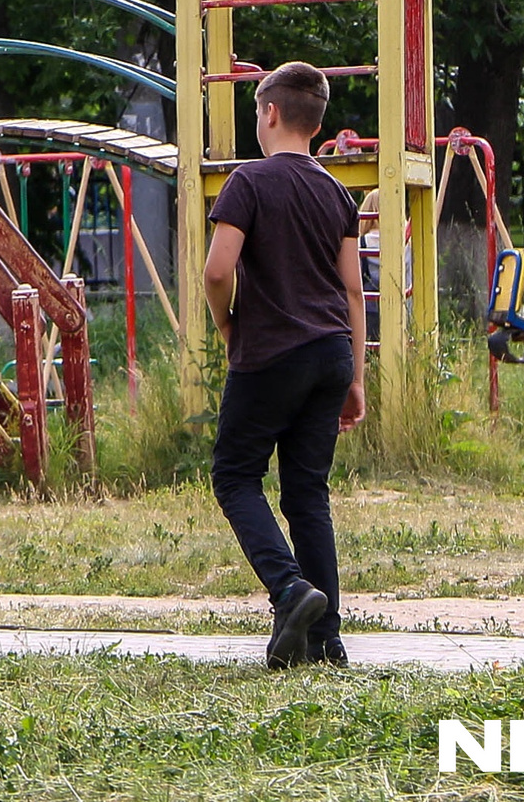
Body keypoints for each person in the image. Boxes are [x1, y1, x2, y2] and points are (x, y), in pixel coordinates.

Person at [203, 60, 365, 669]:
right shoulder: (336, 193)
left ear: (269, 113)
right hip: (330, 353)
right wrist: (355, 377)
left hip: (270, 352)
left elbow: (219, 271)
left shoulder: (248, 182)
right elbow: (353, 290)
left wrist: (225, 321)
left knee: (235, 475)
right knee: (307, 492)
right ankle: (327, 640)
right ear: (318, 123)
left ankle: (291, 589)